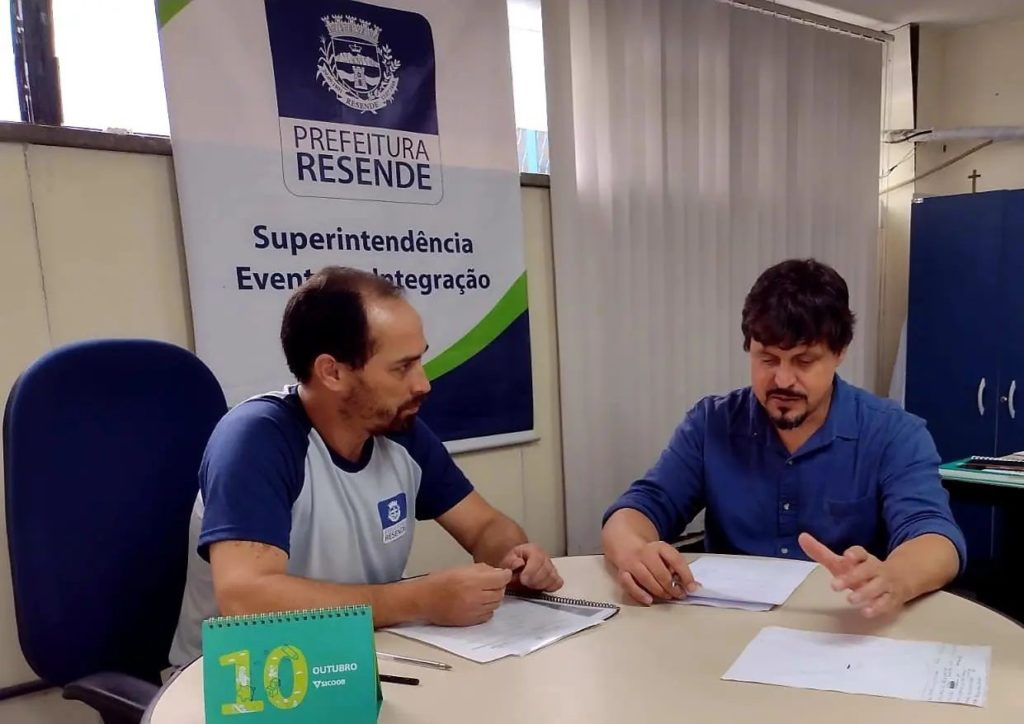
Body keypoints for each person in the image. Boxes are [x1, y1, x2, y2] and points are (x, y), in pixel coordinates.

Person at [169, 267, 561, 665]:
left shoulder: (398, 429)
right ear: (332, 372)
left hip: (354, 661)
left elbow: (484, 526)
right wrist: (416, 599)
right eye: (402, 367)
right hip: (236, 678)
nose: (423, 383)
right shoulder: (256, 438)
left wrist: (512, 559)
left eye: (420, 360)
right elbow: (245, 599)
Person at [602, 259, 965, 619]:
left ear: (840, 352)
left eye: (804, 361)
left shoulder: (893, 433)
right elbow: (642, 507)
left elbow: (934, 536)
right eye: (768, 359)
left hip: (843, 625)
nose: (783, 380)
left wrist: (895, 576)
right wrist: (634, 550)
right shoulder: (711, 423)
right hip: (726, 627)